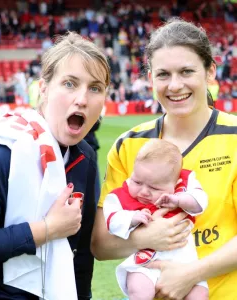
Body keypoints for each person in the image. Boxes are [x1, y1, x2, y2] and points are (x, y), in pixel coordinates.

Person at [0, 32, 110, 300]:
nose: (83, 99)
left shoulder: (84, 157)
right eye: (69, 84)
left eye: (95, 88)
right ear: (43, 88)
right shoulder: (0, 153)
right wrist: (47, 229)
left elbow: (80, 256)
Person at [91, 17, 237, 300]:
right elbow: (100, 244)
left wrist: (191, 274)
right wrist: (146, 238)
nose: (175, 85)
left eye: (186, 71)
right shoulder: (128, 145)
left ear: (210, 72)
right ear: (150, 78)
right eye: (163, 74)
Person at [103, 139, 208, 300]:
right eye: (137, 182)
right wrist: (131, 218)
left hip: (185, 263)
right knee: (139, 288)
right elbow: (111, 220)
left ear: (176, 182)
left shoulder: (184, 185)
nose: (144, 192)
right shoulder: (121, 195)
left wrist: (179, 200)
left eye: (154, 188)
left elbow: (200, 201)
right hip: (146, 262)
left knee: (199, 294)